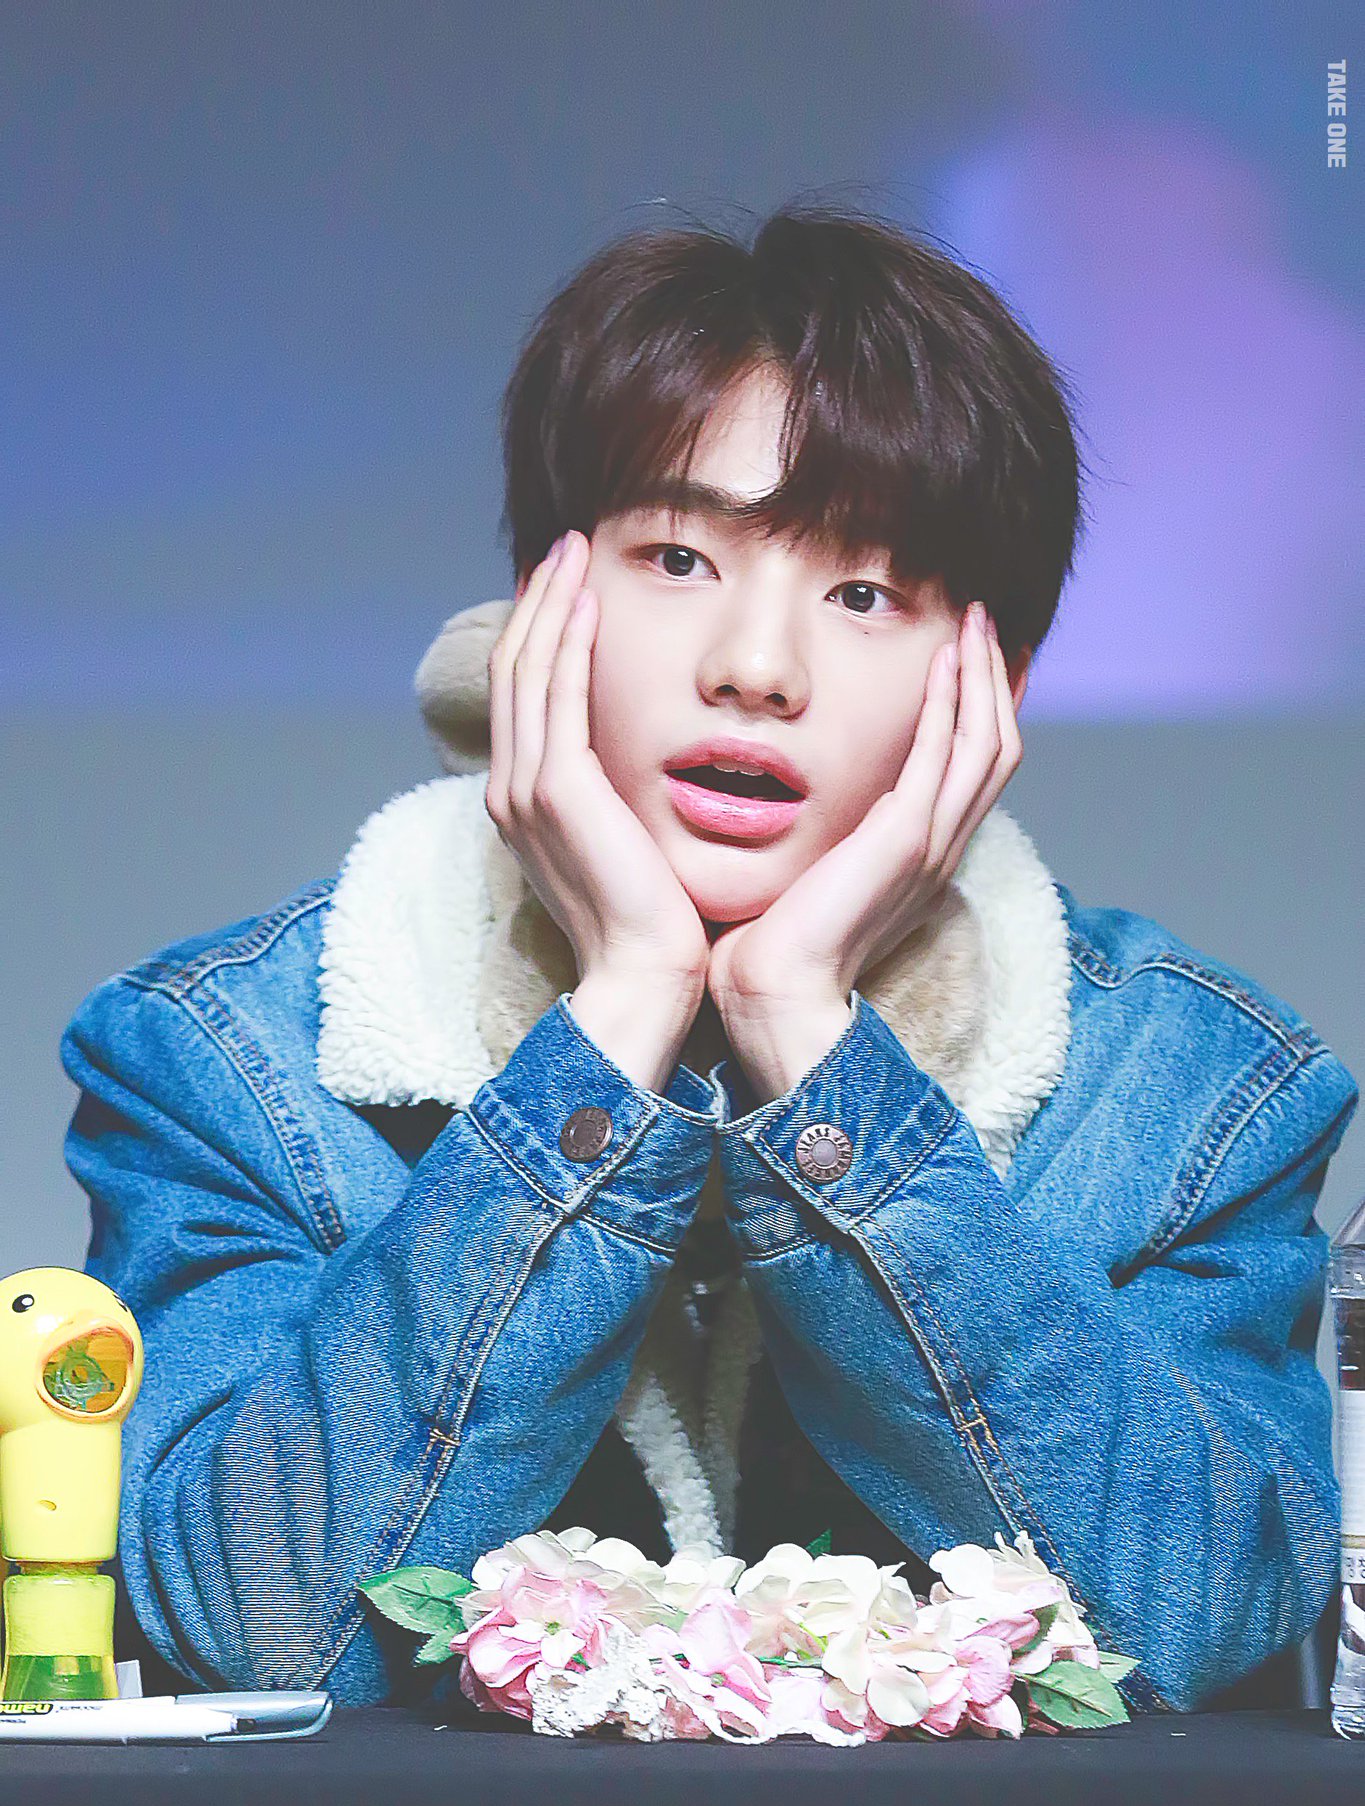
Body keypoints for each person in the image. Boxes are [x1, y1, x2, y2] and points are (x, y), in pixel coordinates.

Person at [58, 203, 1357, 1714]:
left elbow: (1195, 1628)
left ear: (992, 682)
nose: (755, 667)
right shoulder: (232, 1052)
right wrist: (617, 1013)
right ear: (538, 609)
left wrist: (803, 1035)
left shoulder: (1192, 1086)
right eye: (677, 557)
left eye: (864, 594)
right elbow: (258, 1632)